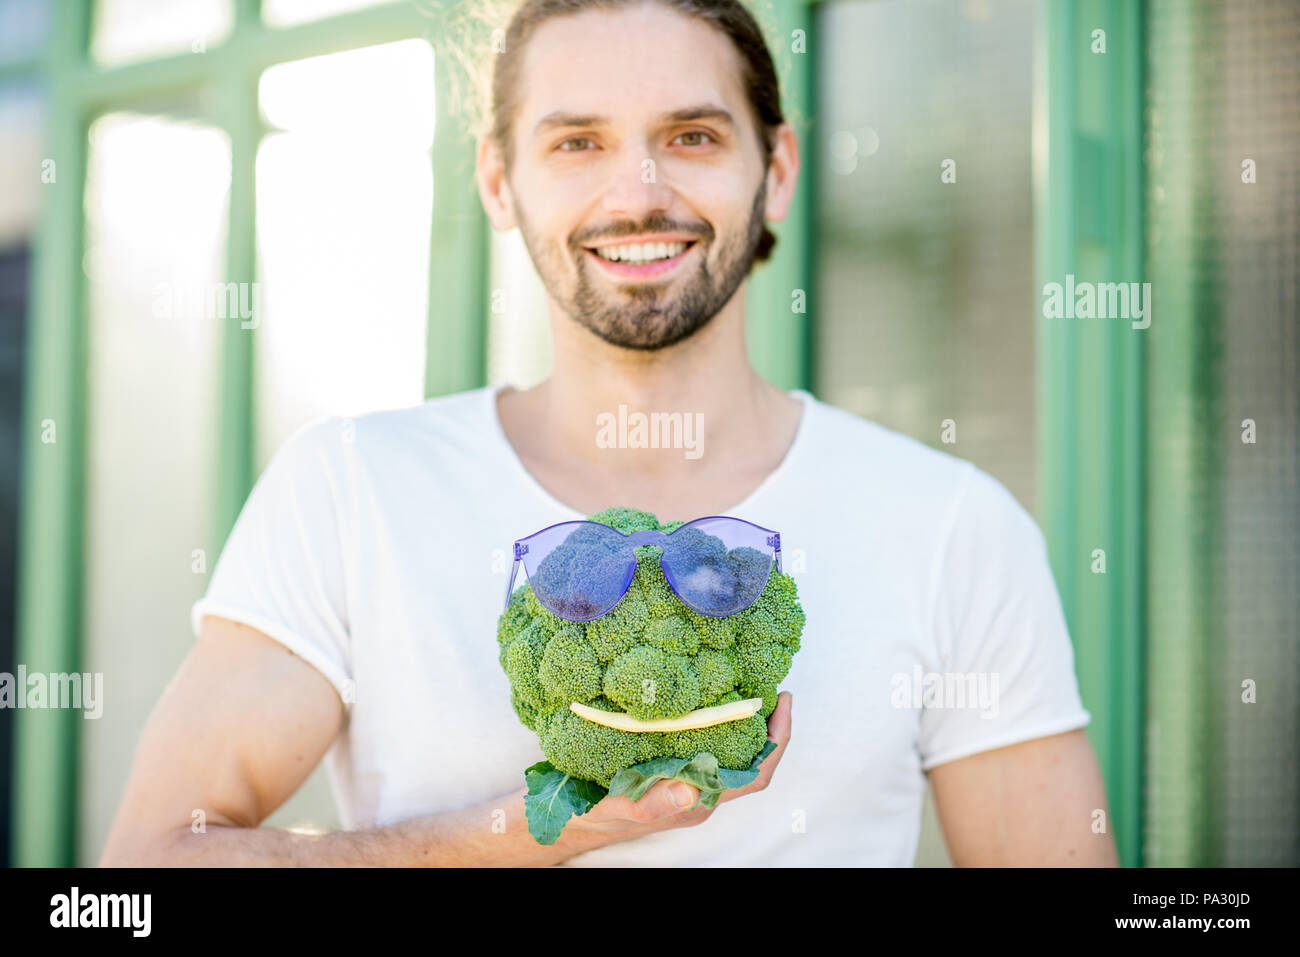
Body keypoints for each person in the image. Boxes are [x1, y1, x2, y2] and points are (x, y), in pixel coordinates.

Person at [101, 0, 1117, 866]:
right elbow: (135, 881)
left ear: (777, 169)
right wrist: (532, 831)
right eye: (577, 141)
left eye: (692, 136)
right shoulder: (352, 490)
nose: (637, 192)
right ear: (499, 179)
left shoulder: (949, 527)